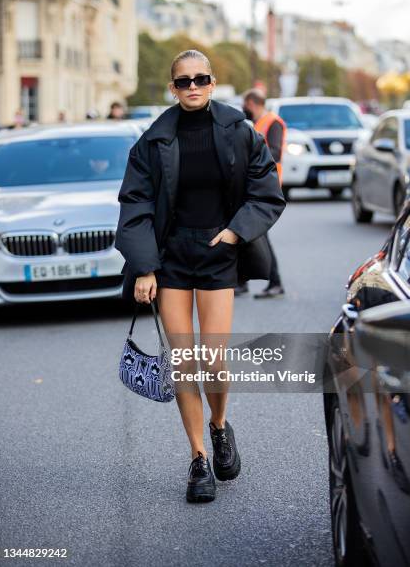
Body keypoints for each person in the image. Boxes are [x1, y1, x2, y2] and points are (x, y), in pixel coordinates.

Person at [115, 49, 285, 503]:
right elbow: (135, 204)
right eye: (183, 81)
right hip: (171, 257)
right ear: (173, 88)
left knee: (213, 358)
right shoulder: (152, 140)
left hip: (218, 252)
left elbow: (266, 191)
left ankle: (219, 425)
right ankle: (198, 459)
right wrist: (145, 266)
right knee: (183, 360)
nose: (192, 86)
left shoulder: (238, 132)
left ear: (212, 83)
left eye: (200, 78)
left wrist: (235, 232)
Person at [235, 88, 287, 299]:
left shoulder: (272, 122)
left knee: (260, 237)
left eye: (244, 104)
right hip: (254, 186)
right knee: (248, 234)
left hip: (266, 188)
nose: (243, 108)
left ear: (251, 103)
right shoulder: (258, 123)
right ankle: (244, 281)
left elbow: (275, 152)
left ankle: (275, 283)